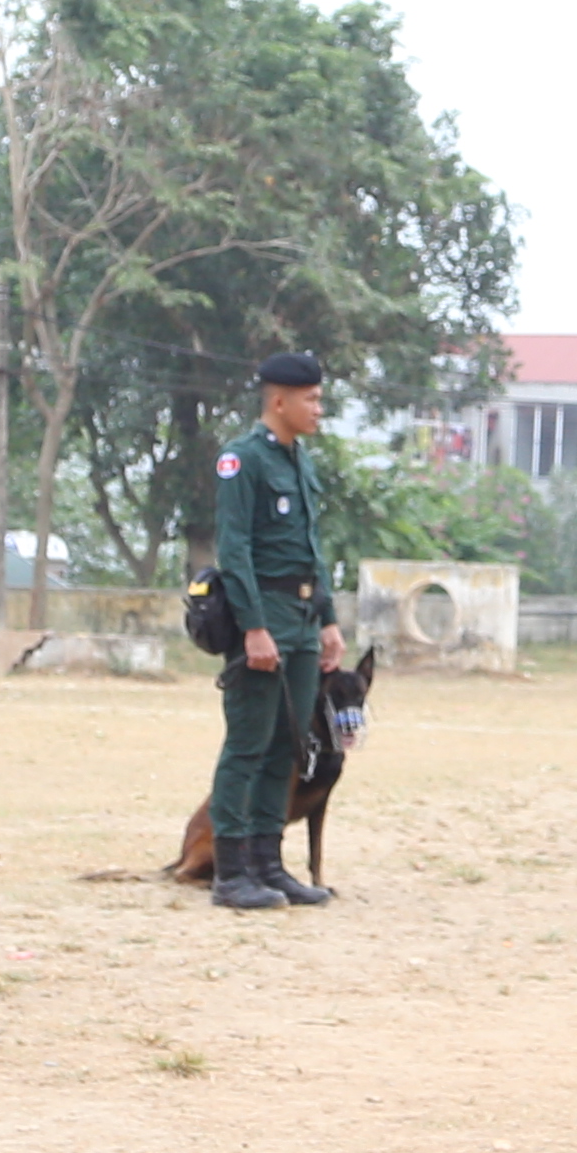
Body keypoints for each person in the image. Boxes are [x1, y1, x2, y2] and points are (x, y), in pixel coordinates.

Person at [202, 351, 348, 912]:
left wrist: (329, 618)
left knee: (288, 744)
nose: (319, 407)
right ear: (278, 401)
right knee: (248, 743)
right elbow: (234, 549)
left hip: (305, 621)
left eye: (319, 396)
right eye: (310, 398)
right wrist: (254, 628)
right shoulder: (243, 461)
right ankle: (231, 870)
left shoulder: (300, 461)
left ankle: (269, 863)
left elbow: (312, 548)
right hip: (262, 619)